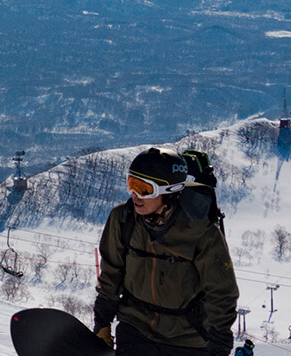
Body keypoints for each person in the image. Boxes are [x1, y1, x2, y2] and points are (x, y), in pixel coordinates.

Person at [93, 147, 240, 356]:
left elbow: (221, 293)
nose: (135, 196)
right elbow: (111, 273)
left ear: (169, 192)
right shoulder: (123, 219)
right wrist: (102, 322)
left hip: (187, 339)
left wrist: (219, 344)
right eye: (131, 184)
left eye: (144, 189)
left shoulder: (201, 232)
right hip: (135, 329)